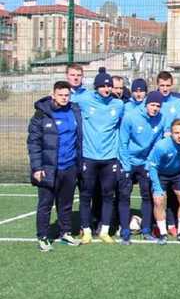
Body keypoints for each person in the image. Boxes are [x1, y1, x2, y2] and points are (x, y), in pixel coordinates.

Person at [27, 81, 83, 251]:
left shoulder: (75, 110)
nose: (64, 98)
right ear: (53, 95)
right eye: (61, 95)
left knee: (65, 204)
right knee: (45, 204)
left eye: (67, 95)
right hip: (48, 169)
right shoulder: (41, 114)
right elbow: (33, 143)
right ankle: (43, 237)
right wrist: (37, 168)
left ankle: (65, 233)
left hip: (70, 167)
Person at [78, 67, 124, 244]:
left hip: (110, 158)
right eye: (103, 86)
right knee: (86, 195)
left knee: (108, 195)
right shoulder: (84, 100)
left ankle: (105, 231)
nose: (107, 89)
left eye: (109, 86)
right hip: (89, 157)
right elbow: (65, 98)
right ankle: (87, 230)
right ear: (96, 87)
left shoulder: (118, 105)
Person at [117, 91, 165, 244]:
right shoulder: (130, 117)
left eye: (158, 106)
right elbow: (123, 142)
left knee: (147, 196)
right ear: (146, 104)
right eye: (152, 105)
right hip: (128, 162)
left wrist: (149, 163)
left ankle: (146, 230)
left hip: (145, 163)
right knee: (124, 196)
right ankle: (125, 231)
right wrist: (126, 165)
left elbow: (156, 144)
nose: (155, 108)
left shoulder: (161, 119)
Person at [147, 119, 180, 245]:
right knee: (159, 200)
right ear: (171, 133)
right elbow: (152, 167)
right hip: (160, 174)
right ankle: (163, 234)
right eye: (176, 133)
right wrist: (157, 188)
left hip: (178, 173)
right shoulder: (162, 146)